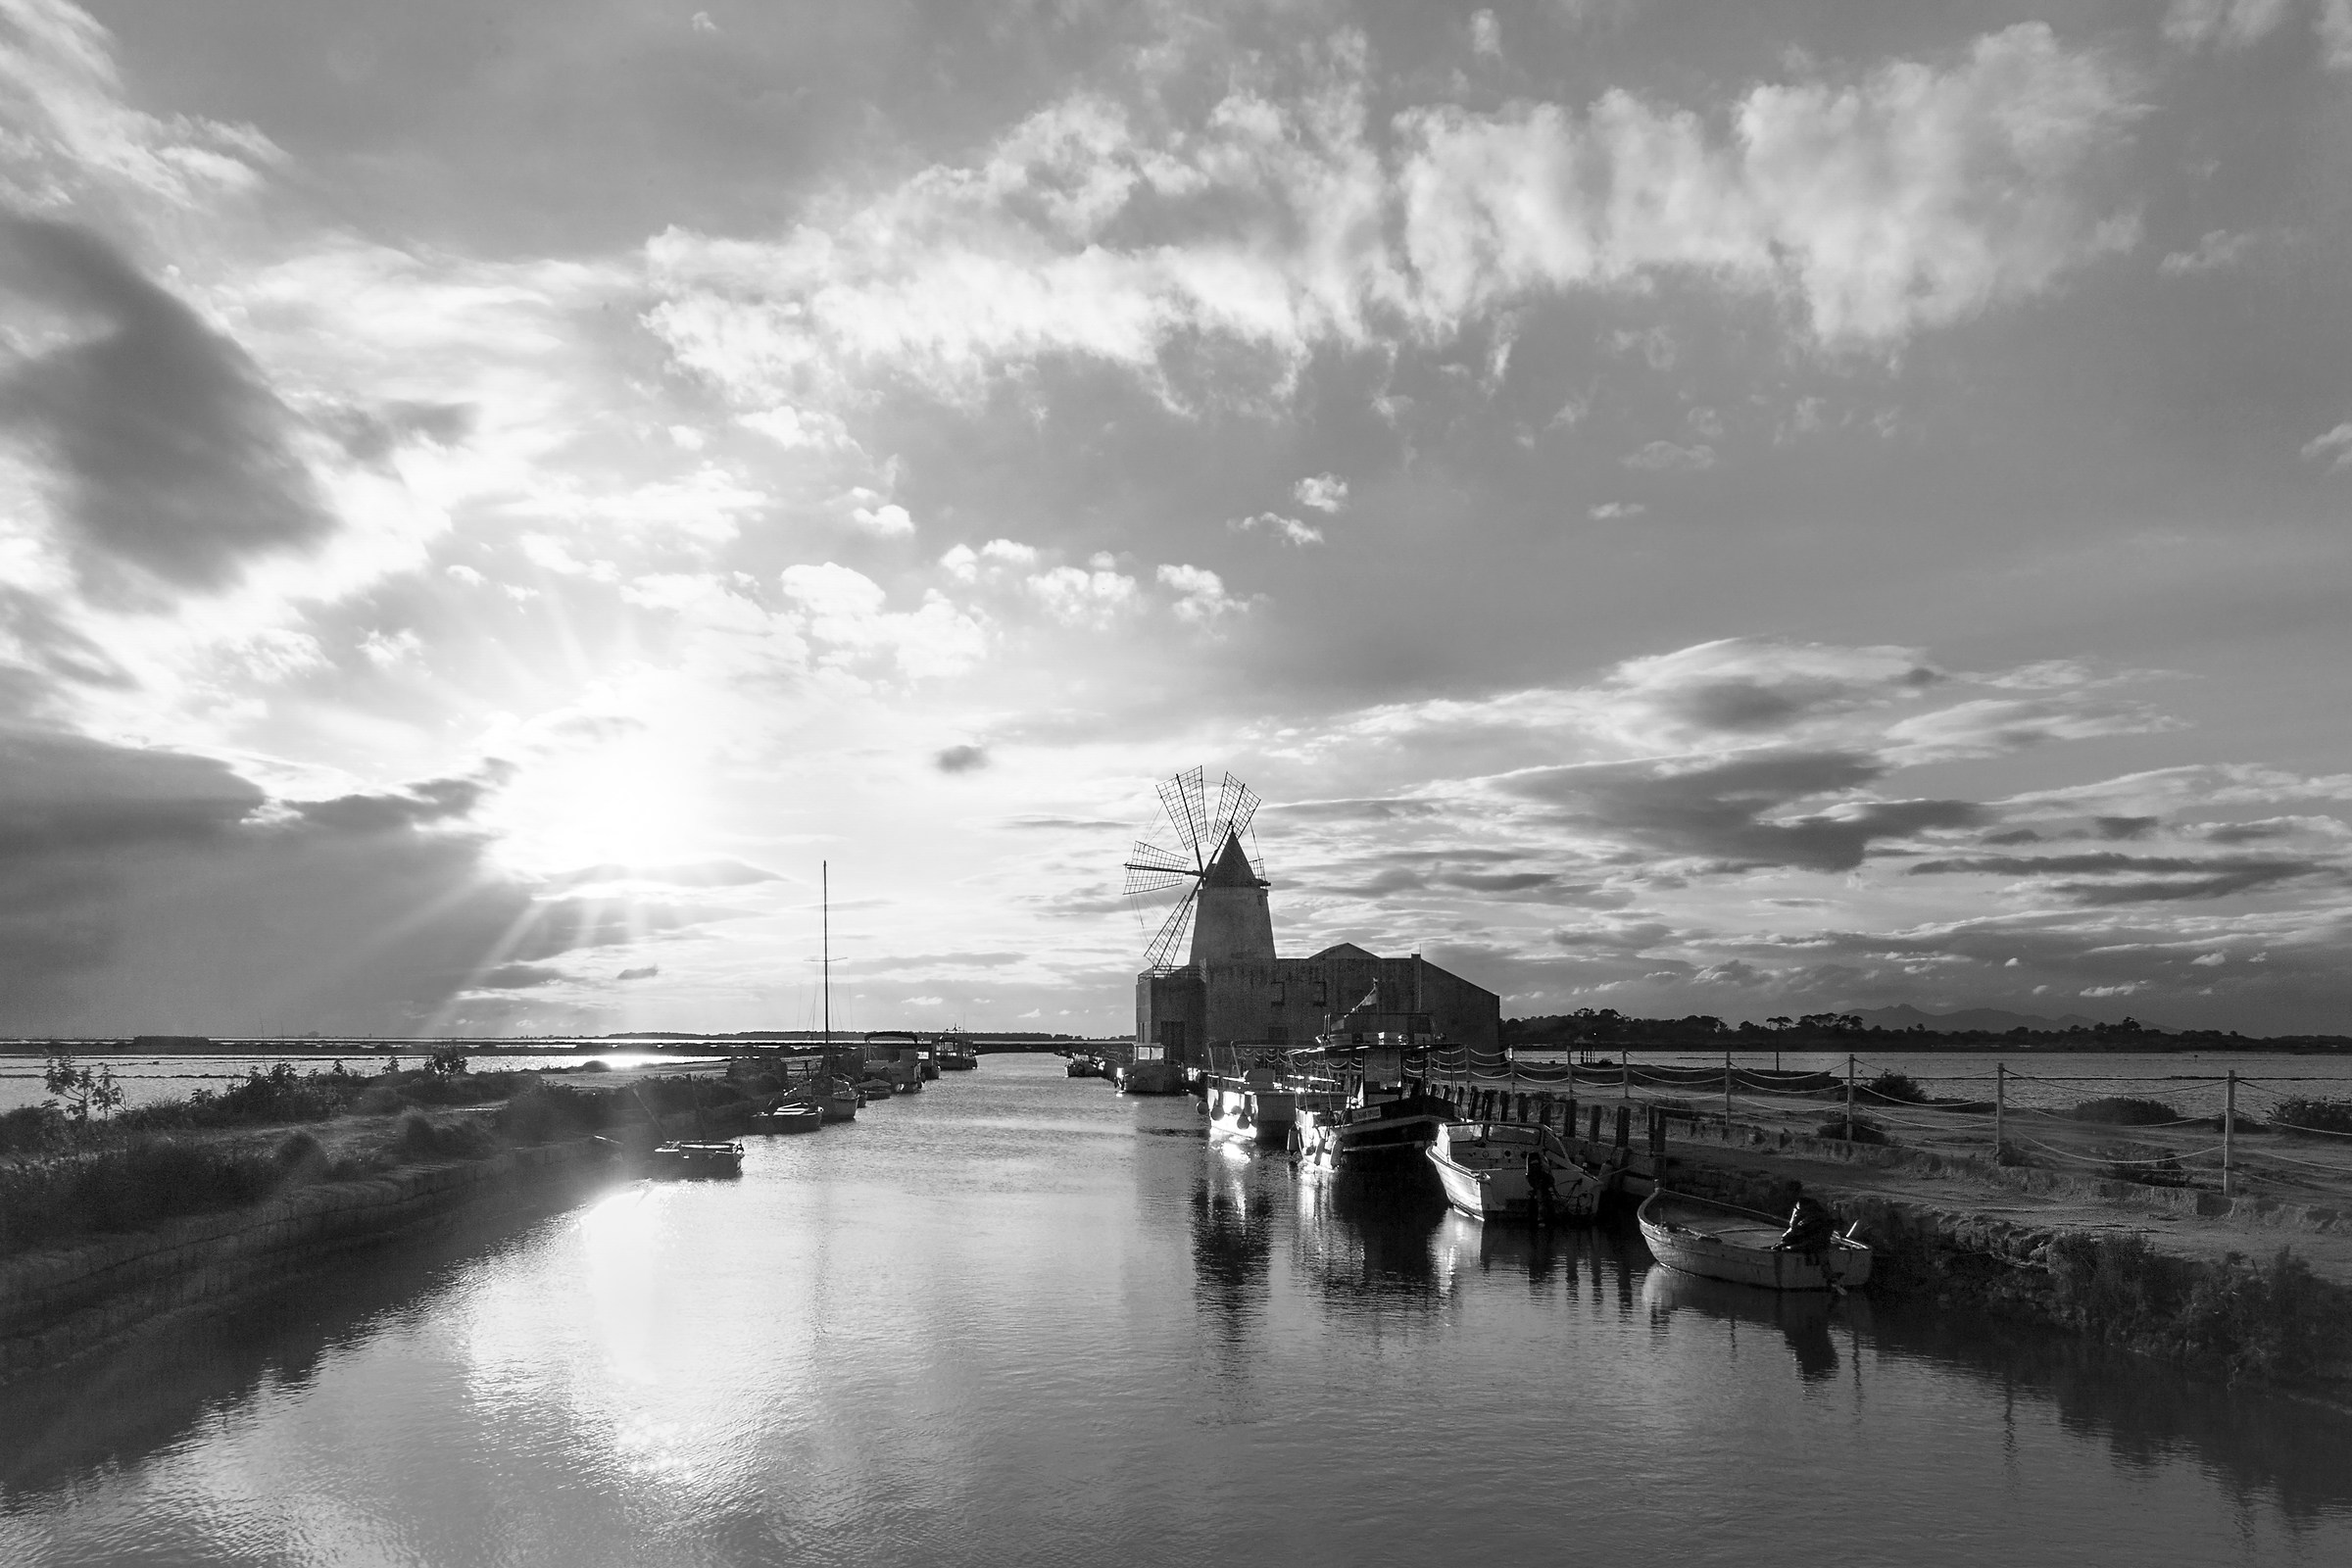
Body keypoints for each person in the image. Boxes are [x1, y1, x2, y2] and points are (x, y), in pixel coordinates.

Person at [1777, 1185, 1837, 1258]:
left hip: (1814, 1241)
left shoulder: (1807, 1208)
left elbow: (1800, 1227)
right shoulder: (1801, 1205)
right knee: (1786, 1241)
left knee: (1786, 1245)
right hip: (1810, 1238)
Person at [1525, 1152, 1557, 1225]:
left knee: (1541, 1201)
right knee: (1542, 1201)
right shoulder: (1541, 1176)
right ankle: (1542, 1219)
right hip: (1541, 1190)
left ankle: (1540, 1219)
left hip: (1541, 1189)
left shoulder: (1535, 1176)